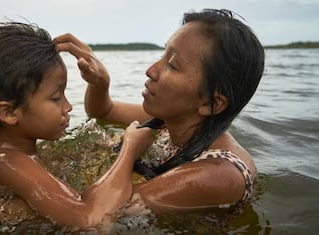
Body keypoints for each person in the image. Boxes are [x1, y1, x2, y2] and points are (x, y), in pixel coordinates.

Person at [55, 9, 264, 212]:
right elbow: (103, 112)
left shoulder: (220, 174)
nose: (151, 70)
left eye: (172, 65)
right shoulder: (171, 119)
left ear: (211, 103)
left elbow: (102, 213)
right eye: (163, 55)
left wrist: (129, 149)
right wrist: (101, 83)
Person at [0, 21, 153, 228]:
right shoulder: (9, 163)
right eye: (56, 98)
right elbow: (89, 221)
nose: (68, 106)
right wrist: (129, 150)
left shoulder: (3, 149)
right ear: (9, 112)